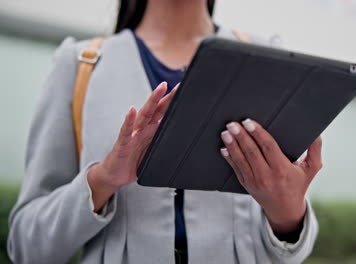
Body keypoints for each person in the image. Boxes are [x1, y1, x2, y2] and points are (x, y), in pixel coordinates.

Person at [7, 0, 322, 263]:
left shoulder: (268, 58)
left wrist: (289, 215)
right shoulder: (79, 65)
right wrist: (102, 180)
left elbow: (293, 249)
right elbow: (26, 246)